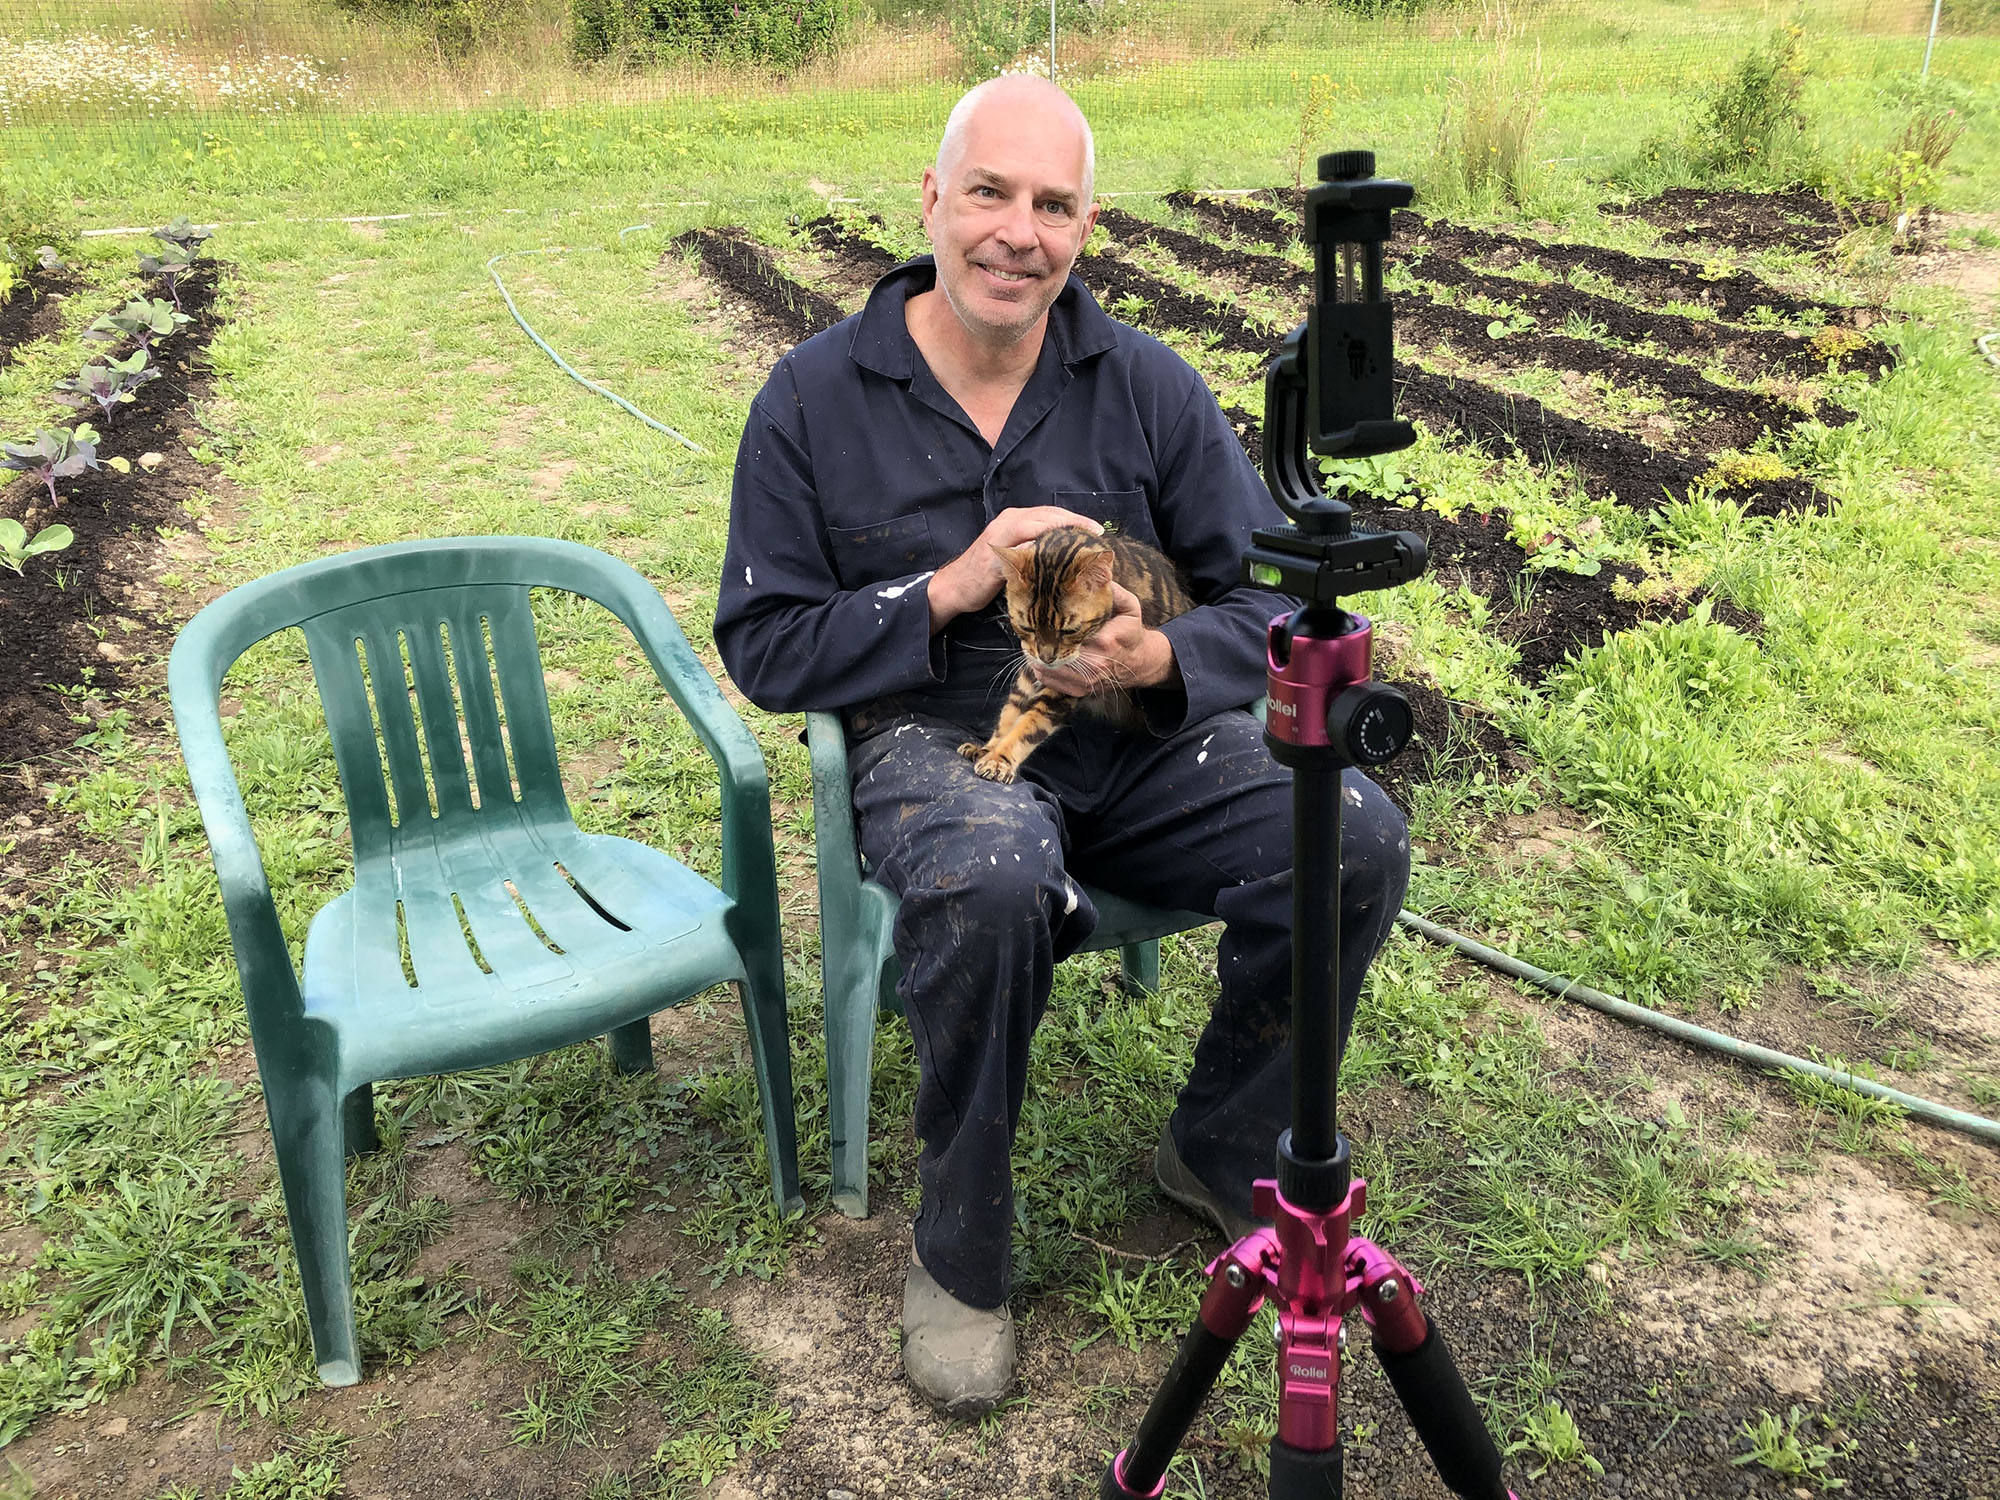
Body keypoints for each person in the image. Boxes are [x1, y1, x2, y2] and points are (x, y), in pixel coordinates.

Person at [714, 75, 1409, 1417]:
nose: (1016, 232)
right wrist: (955, 585)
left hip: (1139, 736)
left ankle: (1223, 1139)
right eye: (989, 192)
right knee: (988, 876)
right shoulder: (813, 398)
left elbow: (1264, 591)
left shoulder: (1141, 383)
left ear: (1085, 227)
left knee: (1355, 834)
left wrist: (1163, 656)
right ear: (932, 200)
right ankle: (960, 1247)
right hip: (939, 737)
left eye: (1052, 204)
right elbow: (769, 643)